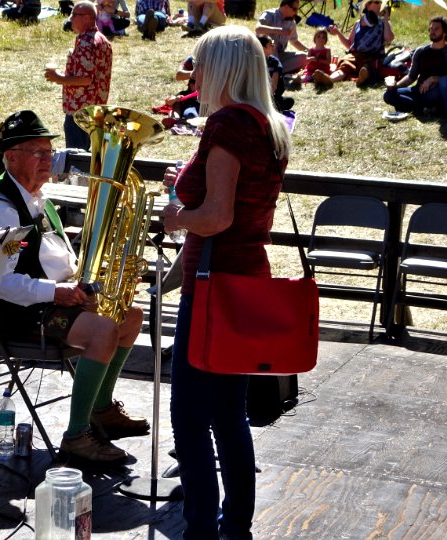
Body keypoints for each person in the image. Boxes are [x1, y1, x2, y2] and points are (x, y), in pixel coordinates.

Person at [161, 25, 291, 540]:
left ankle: (200, 531)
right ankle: (234, 526)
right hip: (244, 279)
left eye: (199, 64)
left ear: (222, 69)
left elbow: (215, 216)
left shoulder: (226, 125)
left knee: (190, 418)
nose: (194, 74)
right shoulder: (267, 124)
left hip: (215, 286)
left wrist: (176, 214)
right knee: (229, 417)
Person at [0, 110, 149, 464]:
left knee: (131, 315)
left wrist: (103, 278)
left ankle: (101, 408)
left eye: (50, 152)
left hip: (51, 302)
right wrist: (57, 292)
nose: (47, 160)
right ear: (11, 157)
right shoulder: (0, 208)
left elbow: (58, 260)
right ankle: (76, 435)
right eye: (38, 153)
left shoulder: (41, 201)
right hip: (17, 316)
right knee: (103, 331)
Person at [45, 1, 113, 151]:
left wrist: (58, 78)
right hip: (96, 111)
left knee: (77, 161)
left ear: (87, 18)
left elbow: (85, 79)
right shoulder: (103, 40)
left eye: (74, 15)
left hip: (79, 111)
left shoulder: (85, 43)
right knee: (91, 158)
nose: (71, 18)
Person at [382, 16, 447, 115]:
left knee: (436, 94)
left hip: (435, 91)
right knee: (388, 95)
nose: (432, 31)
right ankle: (422, 108)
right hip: (417, 90)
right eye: (431, 29)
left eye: (436, 29)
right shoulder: (421, 51)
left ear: (445, 33)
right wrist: (395, 86)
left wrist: (433, 79)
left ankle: (413, 106)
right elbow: (411, 77)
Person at [313, 0, 394, 87]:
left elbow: (389, 38)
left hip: (373, 56)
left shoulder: (383, 23)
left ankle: (362, 79)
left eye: (379, 2)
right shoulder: (358, 23)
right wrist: (338, 33)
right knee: (345, 66)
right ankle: (329, 79)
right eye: (375, 2)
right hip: (355, 55)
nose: (378, 4)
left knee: (367, 68)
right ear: (367, 5)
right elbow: (349, 44)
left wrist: (386, 19)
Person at [255, 0, 308, 75]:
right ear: (286, 7)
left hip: (280, 56)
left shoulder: (291, 22)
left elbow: (294, 41)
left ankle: (273, 70)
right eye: (294, 9)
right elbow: (258, 29)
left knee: (304, 57)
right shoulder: (270, 14)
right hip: (264, 55)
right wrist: (280, 30)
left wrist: (310, 52)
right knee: (271, 45)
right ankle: (273, 70)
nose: (296, 13)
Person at [259, 35, 294, 111]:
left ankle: (264, 107)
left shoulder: (274, 62)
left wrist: (266, 99)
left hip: (271, 96)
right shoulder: (254, 61)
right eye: (271, 44)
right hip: (257, 95)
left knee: (289, 101)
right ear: (262, 48)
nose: (273, 46)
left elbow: (274, 85)